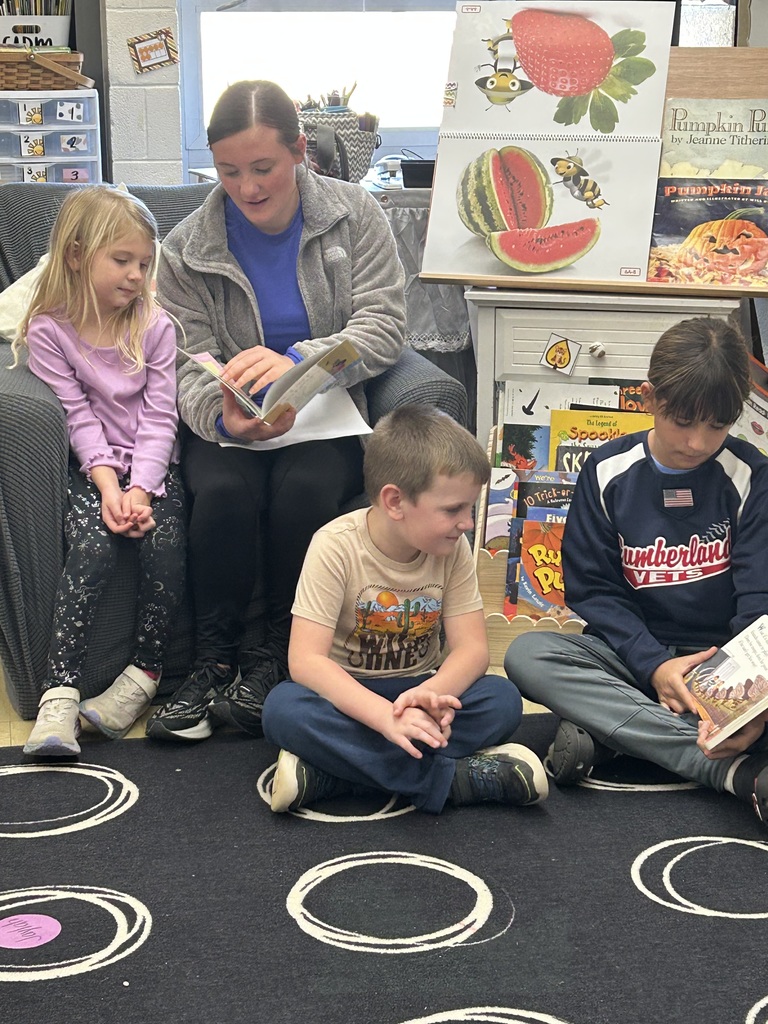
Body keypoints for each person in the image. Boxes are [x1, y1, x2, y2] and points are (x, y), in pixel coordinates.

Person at [149, 79, 406, 742]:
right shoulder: (185, 246)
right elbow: (182, 357)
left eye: (262, 168)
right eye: (229, 171)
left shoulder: (355, 214)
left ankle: (276, 657)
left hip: (321, 411)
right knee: (225, 494)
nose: (247, 187)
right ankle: (212, 662)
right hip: (229, 421)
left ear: (299, 151)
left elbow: (383, 323)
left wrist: (304, 363)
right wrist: (220, 412)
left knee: (308, 491)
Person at [504, 316, 768, 826]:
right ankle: (727, 770)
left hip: (728, 662)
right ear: (649, 398)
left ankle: (612, 735)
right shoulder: (605, 470)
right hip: (632, 659)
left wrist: (745, 703)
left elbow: (759, 602)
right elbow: (593, 590)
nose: (696, 442)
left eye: (717, 425)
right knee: (530, 654)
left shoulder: (752, 476)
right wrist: (653, 665)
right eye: (682, 421)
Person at [262, 404, 548, 814]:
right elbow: (305, 662)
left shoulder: (452, 548)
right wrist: (383, 717)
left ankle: (333, 775)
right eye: (452, 510)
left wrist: (432, 694)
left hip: (420, 689)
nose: (467, 523)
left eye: (469, 508)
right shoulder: (334, 546)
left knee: (502, 699)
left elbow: (472, 651)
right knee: (282, 711)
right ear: (395, 501)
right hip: (350, 699)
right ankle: (452, 781)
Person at [13, 185, 186, 757]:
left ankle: (142, 678)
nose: (136, 275)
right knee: (91, 551)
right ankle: (57, 696)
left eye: (144, 263)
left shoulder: (156, 327)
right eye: (122, 261)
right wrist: (110, 487)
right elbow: (78, 418)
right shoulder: (49, 331)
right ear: (76, 256)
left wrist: (141, 489)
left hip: (154, 470)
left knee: (165, 548)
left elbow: (161, 416)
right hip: (94, 472)